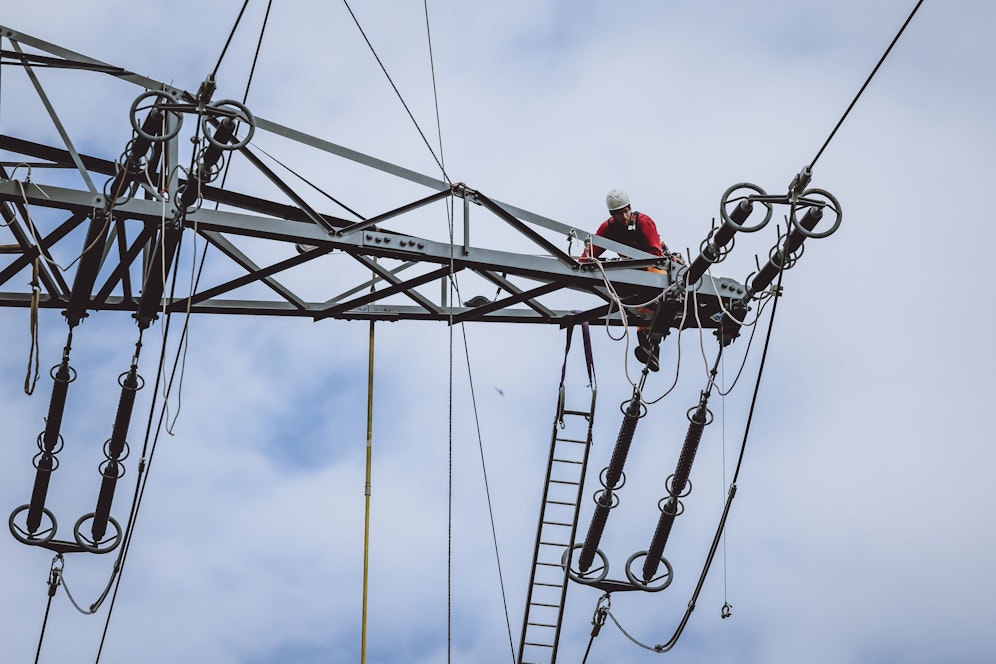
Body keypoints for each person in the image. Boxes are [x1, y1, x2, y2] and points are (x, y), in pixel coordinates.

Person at [582, 189, 681, 372]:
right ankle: (649, 347)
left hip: (657, 268)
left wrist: (634, 267)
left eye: (626, 210)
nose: (625, 215)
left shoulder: (643, 222)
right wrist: (581, 266)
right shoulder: (608, 229)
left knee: (653, 289)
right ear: (613, 214)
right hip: (637, 273)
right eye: (620, 213)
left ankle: (654, 333)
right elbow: (592, 253)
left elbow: (655, 254)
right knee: (638, 305)